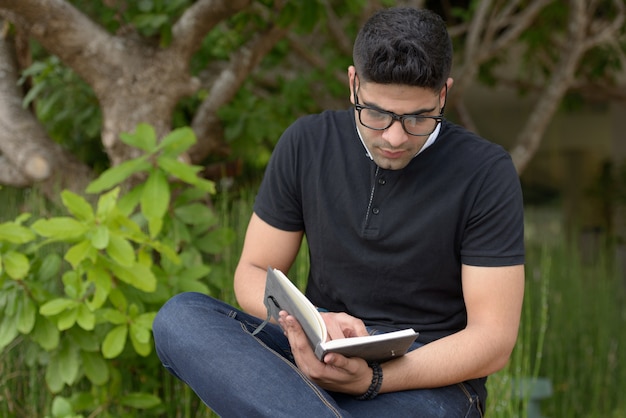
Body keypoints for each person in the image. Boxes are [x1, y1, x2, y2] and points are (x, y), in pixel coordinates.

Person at [153, 6, 524, 417]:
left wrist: (374, 380)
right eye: (378, 114)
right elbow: (253, 270)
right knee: (181, 318)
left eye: (418, 117)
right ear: (353, 84)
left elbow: (493, 341)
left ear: (443, 94)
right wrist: (313, 321)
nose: (395, 137)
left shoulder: (486, 172)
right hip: (314, 355)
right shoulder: (306, 143)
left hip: (424, 378)